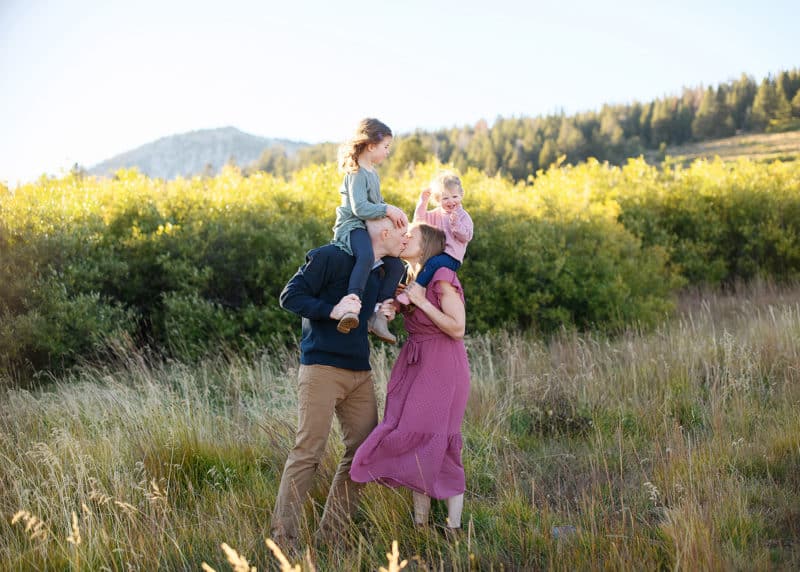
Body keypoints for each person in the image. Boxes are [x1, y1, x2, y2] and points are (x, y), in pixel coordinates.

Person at [271, 217, 409, 546]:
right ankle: (283, 541)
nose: (408, 236)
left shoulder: (384, 271)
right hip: (321, 368)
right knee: (308, 452)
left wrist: (388, 310)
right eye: (403, 230)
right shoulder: (330, 256)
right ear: (385, 232)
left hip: (360, 372)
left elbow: (375, 313)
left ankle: (331, 536)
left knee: (363, 453)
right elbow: (289, 296)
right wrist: (332, 310)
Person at [350, 222, 470, 533]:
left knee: (440, 441)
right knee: (417, 439)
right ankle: (421, 527)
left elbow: (458, 328)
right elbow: (404, 308)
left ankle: (453, 529)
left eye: (410, 235)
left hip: (444, 365)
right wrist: (391, 308)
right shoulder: (410, 279)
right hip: (415, 365)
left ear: (427, 243)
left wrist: (422, 302)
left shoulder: (442, 277)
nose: (404, 238)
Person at [331, 118, 409, 343]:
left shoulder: (373, 173)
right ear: (371, 145)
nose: (387, 152)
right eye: (386, 147)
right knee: (365, 256)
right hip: (354, 226)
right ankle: (351, 306)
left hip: (369, 229)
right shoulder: (356, 172)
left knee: (396, 267)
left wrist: (393, 219)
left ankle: (378, 315)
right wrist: (387, 209)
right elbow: (360, 208)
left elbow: (377, 203)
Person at [396, 170, 473, 306]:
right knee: (409, 268)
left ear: (461, 195)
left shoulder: (463, 216)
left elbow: (466, 236)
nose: (451, 201)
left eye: (454, 196)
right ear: (438, 200)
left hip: (452, 257)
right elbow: (419, 221)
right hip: (435, 255)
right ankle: (397, 294)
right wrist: (422, 202)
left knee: (432, 263)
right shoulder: (436, 214)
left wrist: (456, 225)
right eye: (445, 198)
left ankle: (413, 291)